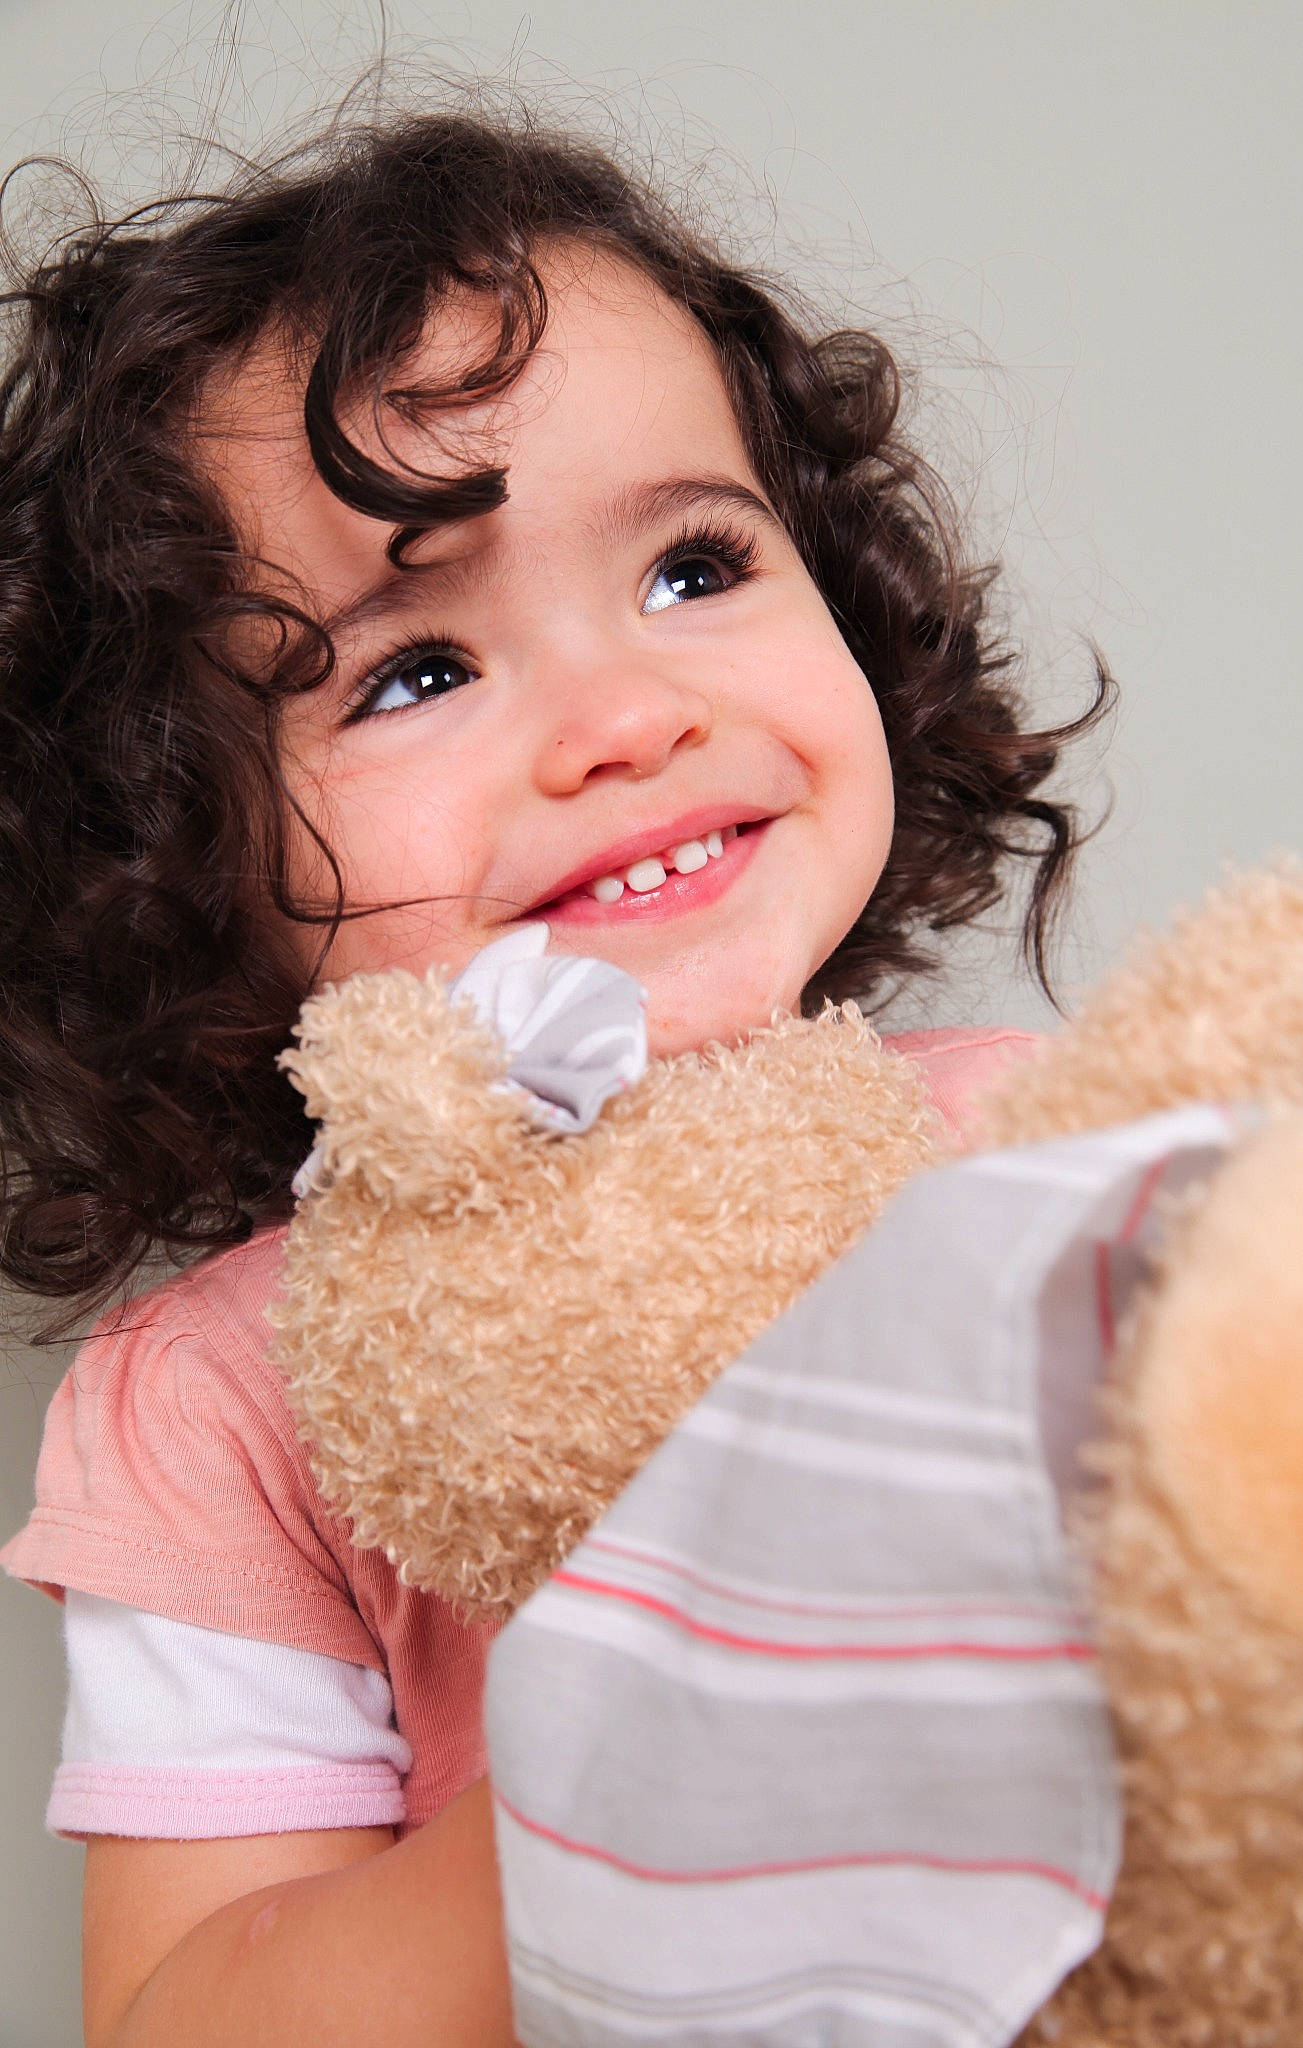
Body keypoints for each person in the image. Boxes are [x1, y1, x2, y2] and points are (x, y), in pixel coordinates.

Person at [0, 99, 1107, 2046]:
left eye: (693, 565)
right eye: (416, 670)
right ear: (174, 857)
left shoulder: (1047, 1148)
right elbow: (185, 2012)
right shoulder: (220, 1403)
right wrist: (661, 1729)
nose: (628, 717)